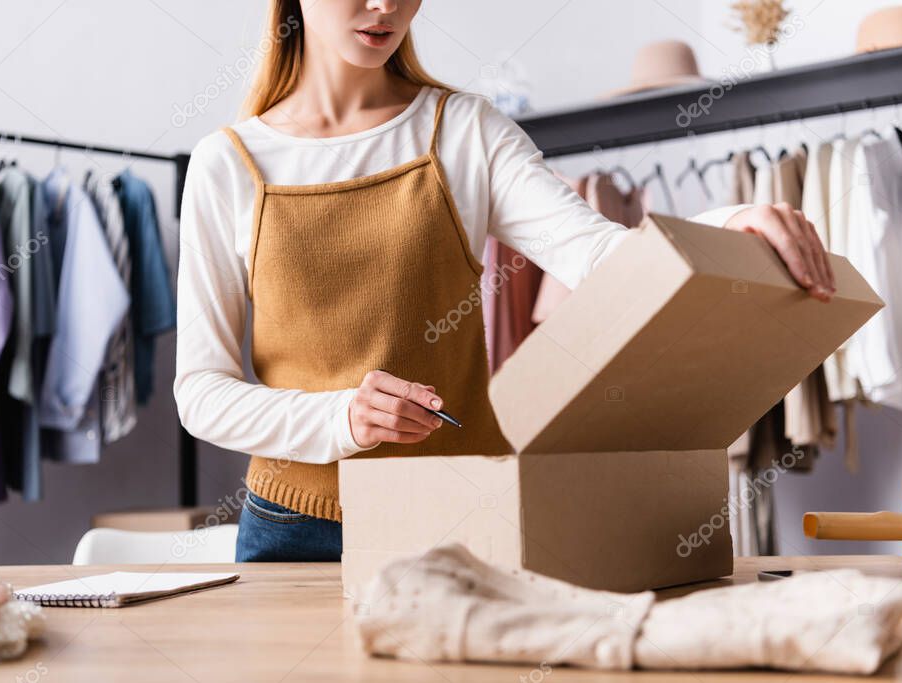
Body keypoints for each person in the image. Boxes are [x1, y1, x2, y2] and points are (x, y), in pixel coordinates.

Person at [174, 0, 836, 562]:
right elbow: (201, 392)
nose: (387, 5)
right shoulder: (226, 165)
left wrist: (730, 222)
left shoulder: (465, 131)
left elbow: (601, 258)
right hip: (291, 532)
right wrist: (340, 415)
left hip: (458, 519)